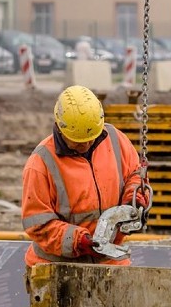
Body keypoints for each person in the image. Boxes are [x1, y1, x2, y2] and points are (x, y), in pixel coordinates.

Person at [22, 85, 149, 267]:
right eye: (78, 141)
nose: (86, 145)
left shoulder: (115, 140)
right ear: (60, 128)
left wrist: (134, 198)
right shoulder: (40, 164)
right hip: (56, 268)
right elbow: (38, 224)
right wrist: (79, 241)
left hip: (110, 262)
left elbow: (135, 175)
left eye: (91, 138)